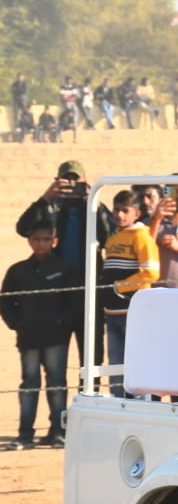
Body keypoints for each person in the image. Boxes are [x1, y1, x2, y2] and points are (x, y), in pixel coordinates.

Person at [16, 161, 112, 376]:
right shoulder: (51, 207)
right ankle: (58, 408)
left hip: (90, 294)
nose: (71, 185)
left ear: (85, 182)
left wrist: (95, 203)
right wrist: (45, 199)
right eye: (66, 180)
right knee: (54, 361)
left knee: (92, 358)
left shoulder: (94, 208)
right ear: (56, 182)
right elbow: (23, 228)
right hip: (58, 296)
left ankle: (89, 402)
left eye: (75, 180)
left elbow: (111, 238)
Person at [1, 224, 77, 447]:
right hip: (28, 339)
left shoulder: (63, 269)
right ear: (29, 241)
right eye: (37, 239)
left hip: (56, 339)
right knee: (29, 385)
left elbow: (73, 302)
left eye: (46, 239)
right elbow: (6, 300)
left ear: (54, 241)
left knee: (56, 385)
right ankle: (25, 435)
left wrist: (62, 323)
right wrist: (16, 324)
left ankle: (58, 432)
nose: (41, 243)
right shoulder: (18, 270)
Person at [101, 190, 159, 397]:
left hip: (133, 311)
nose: (119, 215)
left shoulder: (142, 237)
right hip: (112, 311)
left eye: (125, 210)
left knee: (137, 362)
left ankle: (141, 406)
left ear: (137, 213)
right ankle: (118, 404)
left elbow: (151, 272)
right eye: (116, 210)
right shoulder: (113, 237)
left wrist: (119, 287)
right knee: (115, 363)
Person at [152, 181, 178, 287]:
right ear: (167, 193)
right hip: (154, 296)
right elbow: (142, 254)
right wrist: (157, 219)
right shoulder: (149, 223)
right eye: (176, 192)